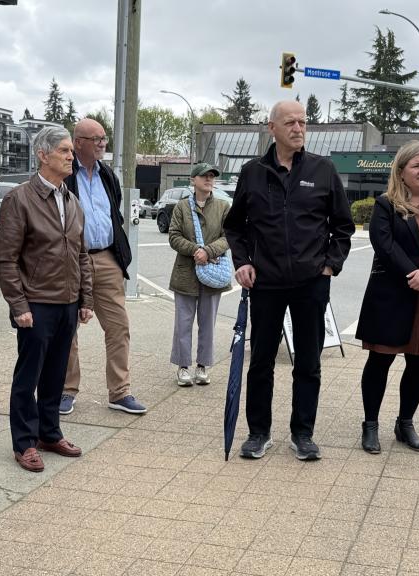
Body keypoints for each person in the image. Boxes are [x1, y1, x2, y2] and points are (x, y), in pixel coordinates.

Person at [224, 100, 354, 461]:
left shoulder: (323, 170)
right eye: (291, 122)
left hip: (311, 283)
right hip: (265, 283)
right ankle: (258, 433)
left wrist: (330, 265)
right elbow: (235, 226)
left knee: (309, 362)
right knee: (261, 360)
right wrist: (242, 261)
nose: (299, 128)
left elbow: (342, 227)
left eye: (303, 122)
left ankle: (303, 434)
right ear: (272, 128)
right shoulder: (252, 172)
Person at [0, 126, 93, 472]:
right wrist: (18, 306)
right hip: (35, 304)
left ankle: (49, 432)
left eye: (70, 151)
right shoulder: (19, 199)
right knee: (29, 376)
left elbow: (82, 254)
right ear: (43, 154)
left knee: (55, 374)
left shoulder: (72, 201)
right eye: (65, 151)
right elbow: (6, 260)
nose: (71, 156)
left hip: (67, 303)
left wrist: (86, 299)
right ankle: (24, 443)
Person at [354, 142, 419, 455]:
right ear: (401, 171)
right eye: (417, 165)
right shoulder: (387, 204)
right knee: (380, 359)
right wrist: (418, 278)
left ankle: (405, 422)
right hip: (392, 294)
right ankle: (370, 424)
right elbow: (384, 246)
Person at [59, 118, 146, 416]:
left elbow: (114, 210)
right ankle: (66, 390)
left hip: (107, 257)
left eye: (104, 139)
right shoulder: (63, 174)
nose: (102, 144)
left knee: (118, 326)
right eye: (96, 139)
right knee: (67, 328)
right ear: (78, 142)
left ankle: (119, 392)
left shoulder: (107, 174)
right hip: (72, 261)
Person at [168, 162, 230, 386]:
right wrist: (196, 250)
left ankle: (203, 365)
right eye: (204, 175)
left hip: (212, 273)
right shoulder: (182, 207)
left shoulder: (223, 207)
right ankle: (183, 366)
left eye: (212, 176)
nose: (209, 179)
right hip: (185, 274)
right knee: (183, 323)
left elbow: (228, 236)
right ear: (193, 180)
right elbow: (173, 236)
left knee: (207, 323)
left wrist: (209, 251)